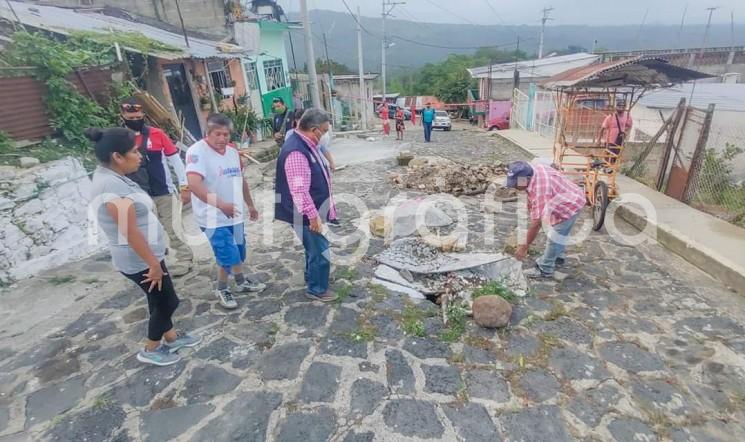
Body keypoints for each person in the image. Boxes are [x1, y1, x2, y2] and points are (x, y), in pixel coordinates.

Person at [88, 127, 201, 366]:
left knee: (157, 300)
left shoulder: (113, 178)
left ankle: (170, 338)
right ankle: (151, 349)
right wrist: (153, 264)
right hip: (140, 260)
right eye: (134, 152)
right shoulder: (112, 187)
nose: (140, 156)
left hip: (147, 256)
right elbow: (129, 231)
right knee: (168, 302)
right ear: (117, 157)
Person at [186, 114, 266, 310]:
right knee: (228, 256)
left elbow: (241, 180)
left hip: (235, 214)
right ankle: (222, 288)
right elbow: (194, 185)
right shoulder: (196, 152)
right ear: (208, 133)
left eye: (226, 134)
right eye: (217, 134)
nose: (222, 138)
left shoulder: (232, 152)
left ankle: (240, 283)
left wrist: (250, 204)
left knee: (239, 251)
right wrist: (221, 205)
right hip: (212, 217)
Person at [120, 99, 194, 276]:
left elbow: (175, 160)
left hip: (164, 192)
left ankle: (185, 259)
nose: (135, 119)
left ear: (144, 115)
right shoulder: (121, 139)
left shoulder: (157, 134)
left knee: (173, 228)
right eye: (131, 117)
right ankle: (157, 263)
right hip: (137, 194)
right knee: (147, 232)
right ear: (123, 116)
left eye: (138, 116)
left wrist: (184, 186)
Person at [275, 108, 339, 302]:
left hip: (309, 211)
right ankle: (317, 288)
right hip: (303, 213)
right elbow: (299, 191)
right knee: (321, 249)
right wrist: (312, 216)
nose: (325, 134)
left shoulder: (306, 143)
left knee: (313, 248)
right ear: (314, 129)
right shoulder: (296, 151)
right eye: (325, 130)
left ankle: (314, 277)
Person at [506, 160, 586, 279]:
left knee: (554, 236)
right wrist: (530, 201)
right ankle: (558, 256)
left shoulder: (541, 189)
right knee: (560, 232)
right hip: (562, 195)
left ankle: (545, 268)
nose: (515, 187)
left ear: (525, 179)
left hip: (571, 204)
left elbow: (537, 223)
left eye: (516, 184)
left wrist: (524, 247)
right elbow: (529, 189)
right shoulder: (530, 170)